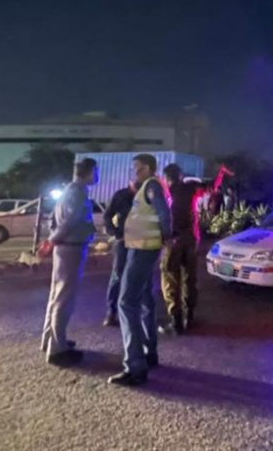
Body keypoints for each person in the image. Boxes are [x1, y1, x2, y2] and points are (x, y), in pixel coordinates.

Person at [108, 154, 171, 387]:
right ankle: (149, 353)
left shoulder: (152, 185)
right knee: (145, 300)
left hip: (143, 250)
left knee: (125, 303)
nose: (134, 172)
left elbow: (164, 213)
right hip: (140, 249)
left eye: (137, 168)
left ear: (148, 168)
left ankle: (135, 367)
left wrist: (167, 236)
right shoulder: (146, 187)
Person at [159, 163, 230, 334]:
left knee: (170, 279)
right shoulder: (190, 187)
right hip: (190, 239)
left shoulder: (164, 192)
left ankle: (175, 321)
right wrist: (220, 173)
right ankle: (188, 317)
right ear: (181, 175)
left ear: (167, 178)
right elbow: (212, 187)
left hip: (173, 241)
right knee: (189, 278)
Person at [41, 158, 99, 365]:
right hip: (71, 247)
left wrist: (52, 238)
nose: (97, 177)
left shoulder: (68, 190)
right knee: (65, 297)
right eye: (96, 172)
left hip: (63, 247)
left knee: (56, 294)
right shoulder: (78, 192)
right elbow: (70, 220)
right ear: (90, 172)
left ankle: (50, 339)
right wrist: (52, 239)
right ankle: (57, 350)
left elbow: (53, 219)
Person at [101, 178, 137, 327]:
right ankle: (111, 311)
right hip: (123, 241)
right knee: (117, 275)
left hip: (142, 242)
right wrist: (115, 233)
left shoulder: (148, 194)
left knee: (138, 277)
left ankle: (133, 311)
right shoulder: (121, 195)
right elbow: (107, 215)